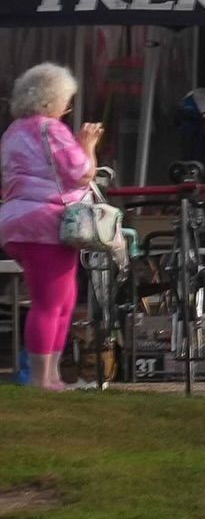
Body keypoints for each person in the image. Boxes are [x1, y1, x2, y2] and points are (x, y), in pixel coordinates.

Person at [2, 62, 104, 388]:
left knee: (62, 301)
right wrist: (87, 143)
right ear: (51, 100)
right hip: (49, 225)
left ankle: (51, 377)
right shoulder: (52, 129)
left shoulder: (13, 131)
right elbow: (82, 172)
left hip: (17, 224)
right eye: (66, 100)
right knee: (51, 304)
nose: (68, 108)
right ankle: (43, 379)